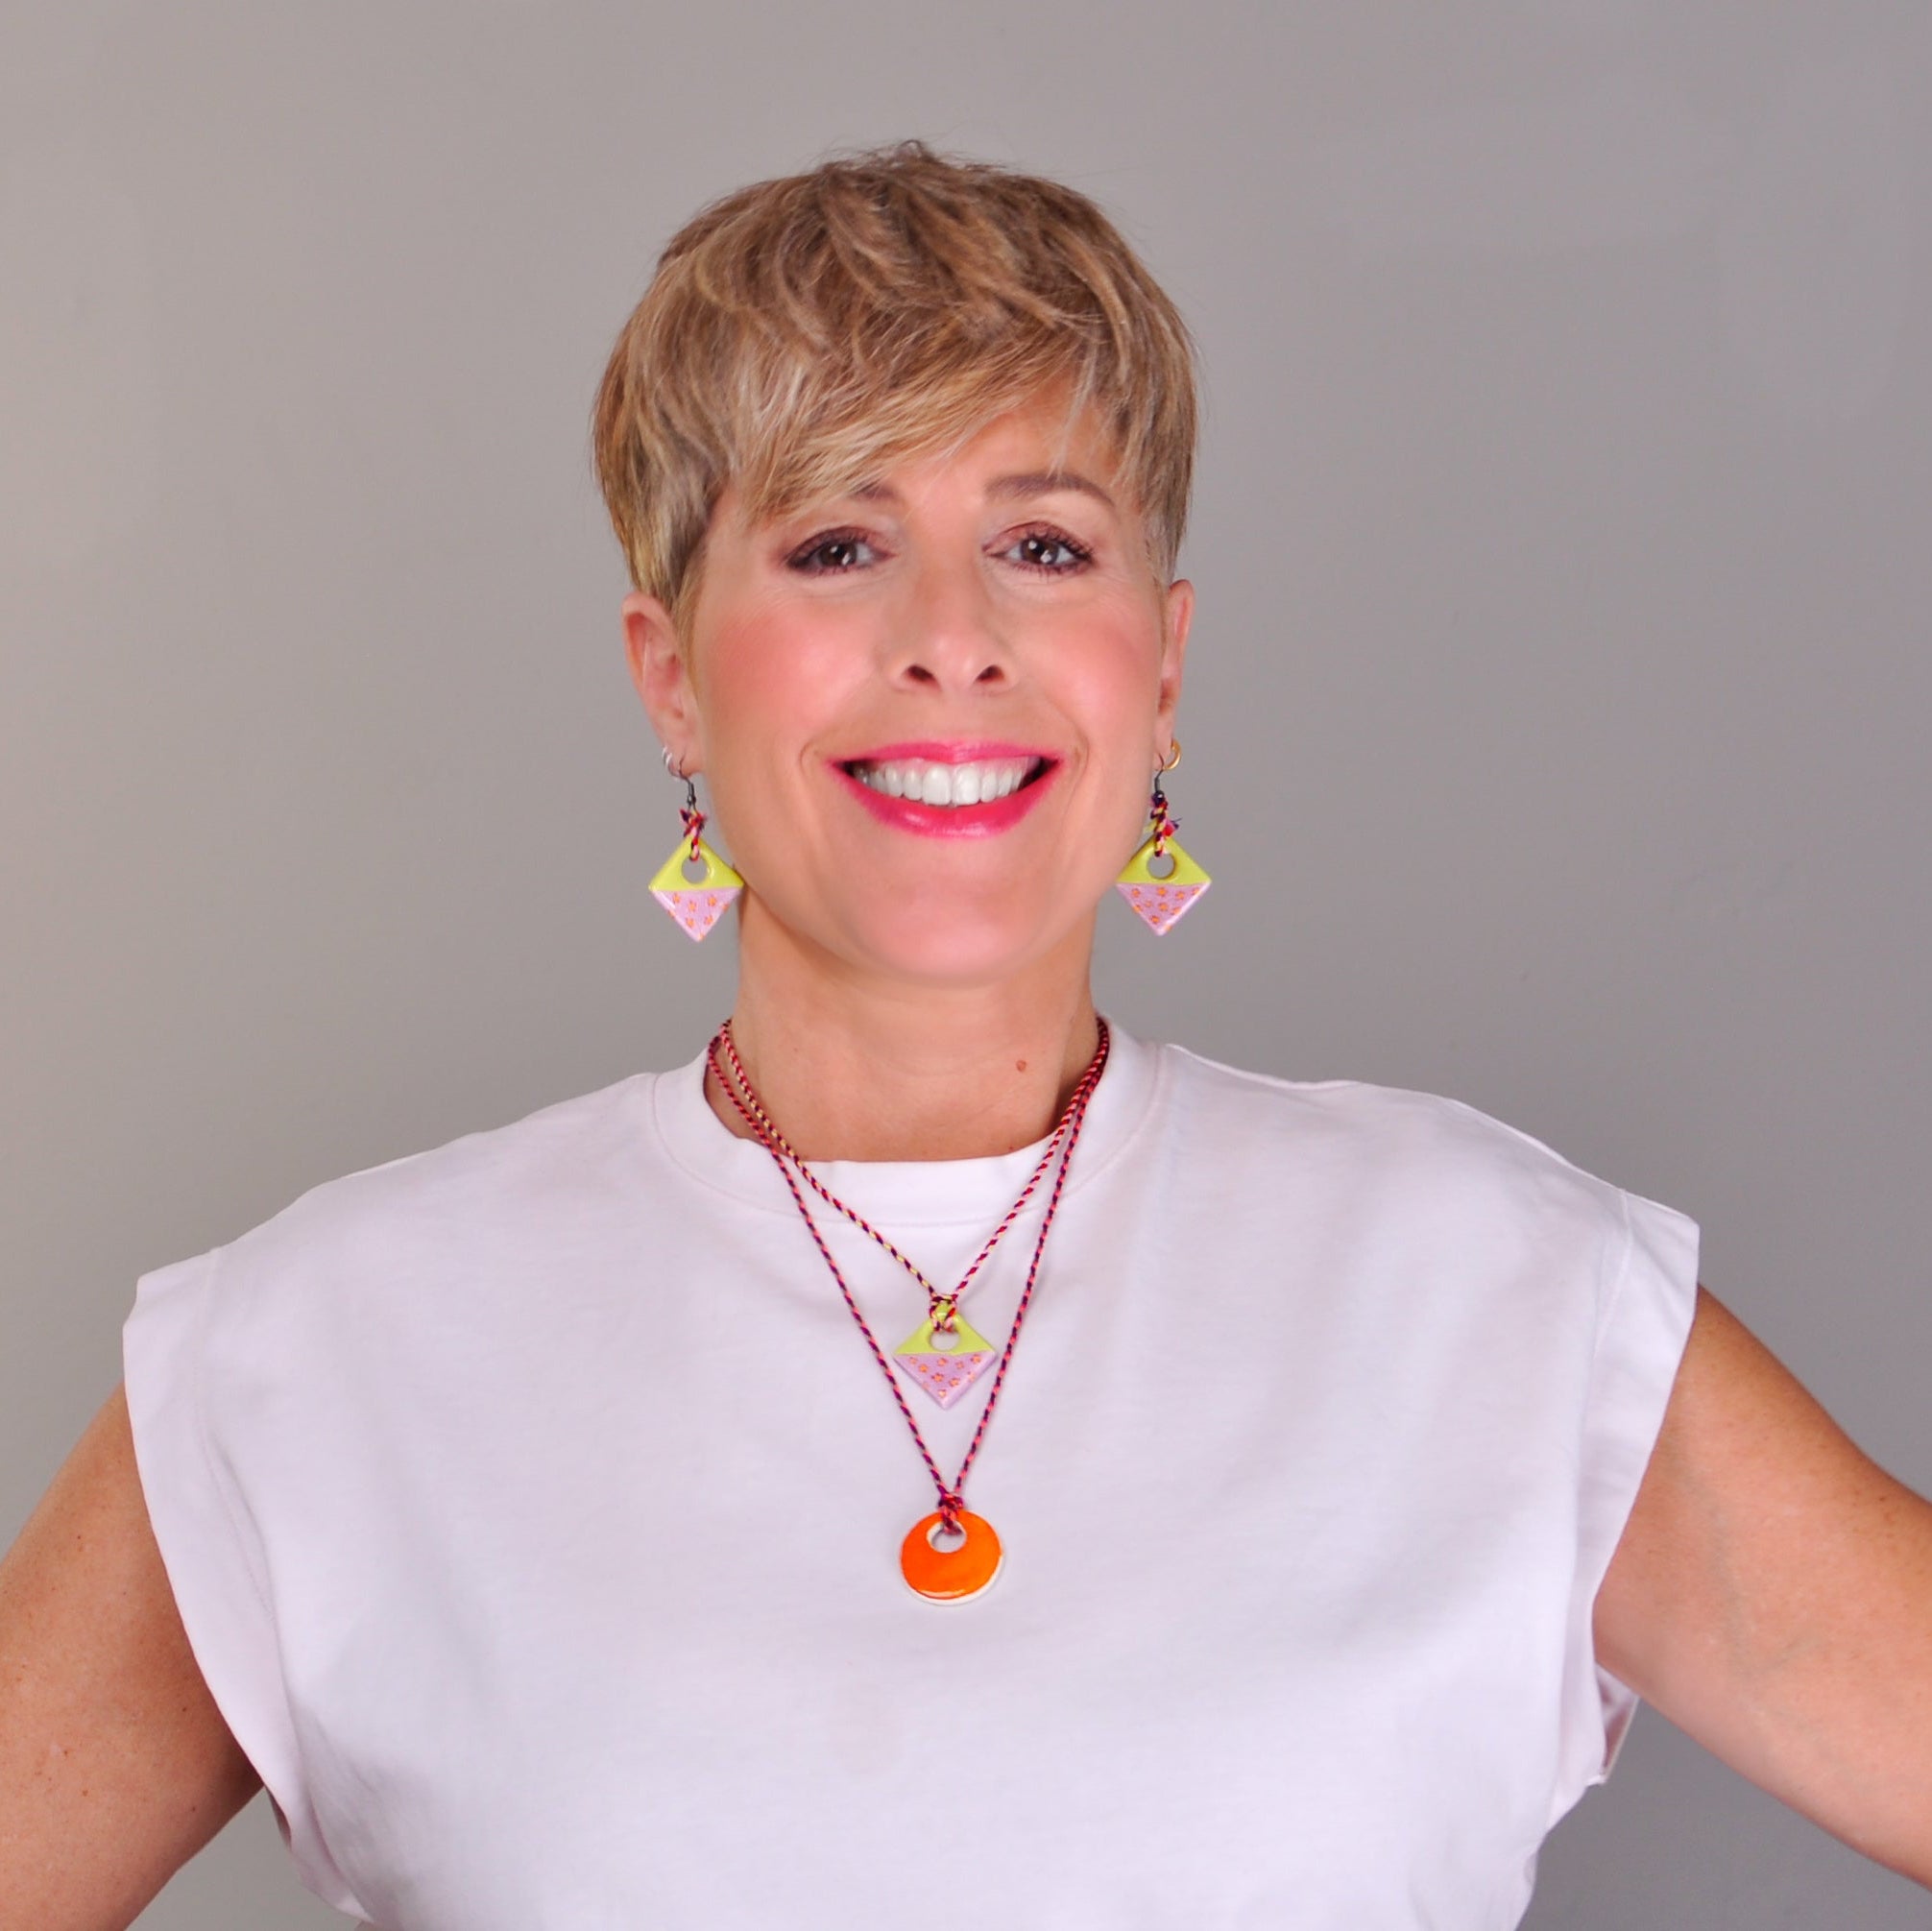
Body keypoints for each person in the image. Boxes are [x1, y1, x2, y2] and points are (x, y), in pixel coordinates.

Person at [2, 140, 1928, 1931]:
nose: (952, 634)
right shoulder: (319, 1352)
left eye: (1047, 546)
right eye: (837, 545)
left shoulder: (1500, 1293)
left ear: (1164, 670)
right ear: (670, 677)